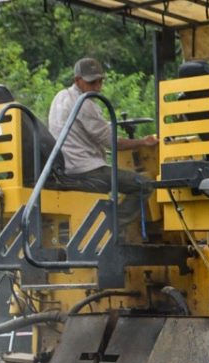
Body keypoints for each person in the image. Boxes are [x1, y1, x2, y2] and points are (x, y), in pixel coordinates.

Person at [48, 57, 159, 236]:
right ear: (77, 80)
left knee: (119, 178)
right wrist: (143, 142)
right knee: (144, 184)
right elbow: (113, 143)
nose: (98, 87)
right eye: (92, 82)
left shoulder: (59, 97)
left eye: (100, 81)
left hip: (64, 167)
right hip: (85, 170)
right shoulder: (85, 103)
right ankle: (110, 226)